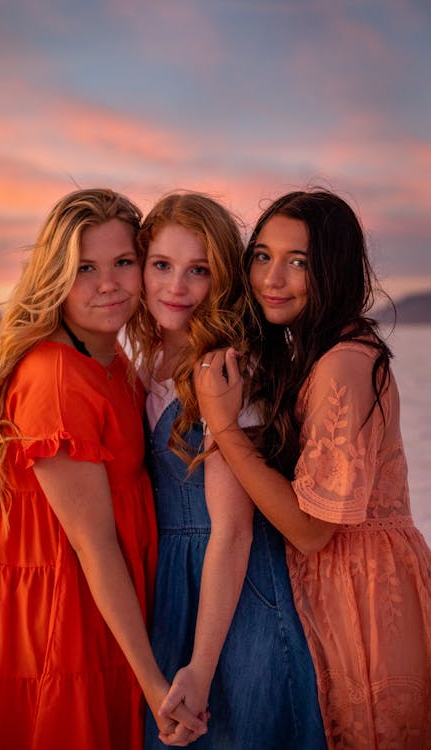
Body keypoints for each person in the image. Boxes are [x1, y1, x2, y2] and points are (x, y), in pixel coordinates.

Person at [0, 188, 206, 750]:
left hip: (96, 606)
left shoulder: (107, 357)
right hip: (59, 619)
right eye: (84, 268)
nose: (108, 284)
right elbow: (94, 544)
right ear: (55, 275)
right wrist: (153, 683)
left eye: (122, 262)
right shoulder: (57, 378)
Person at [194, 189, 431, 749]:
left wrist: (224, 427)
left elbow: (309, 529)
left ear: (334, 269)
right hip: (356, 584)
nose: (272, 278)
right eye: (263, 256)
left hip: (367, 598)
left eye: (298, 262)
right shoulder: (323, 352)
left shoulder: (343, 363)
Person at [129, 191, 326, 748]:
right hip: (176, 586)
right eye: (162, 265)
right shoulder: (151, 362)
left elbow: (234, 528)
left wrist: (202, 663)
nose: (177, 287)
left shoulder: (227, 367)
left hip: (236, 598)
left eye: (199, 271)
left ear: (222, 281)